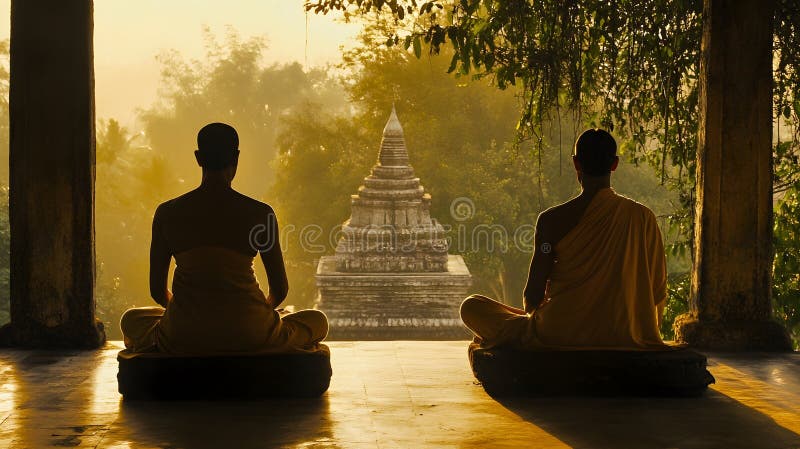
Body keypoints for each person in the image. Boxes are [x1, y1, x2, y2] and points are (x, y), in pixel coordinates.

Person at [120, 122, 328, 355]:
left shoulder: (167, 213)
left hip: (184, 333)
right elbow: (279, 289)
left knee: (131, 320)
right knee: (317, 320)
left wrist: (188, 313)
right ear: (236, 157)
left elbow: (157, 290)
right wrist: (256, 314)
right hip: (251, 332)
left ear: (198, 158)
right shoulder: (260, 213)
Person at [461, 129, 670, 350]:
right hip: (626, 333)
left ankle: (521, 329)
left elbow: (532, 296)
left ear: (576, 164)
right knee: (515, 317)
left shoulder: (551, 221)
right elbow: (657, 290)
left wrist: (535, 315)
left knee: (472, 307)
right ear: (615, 164)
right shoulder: (642, 217)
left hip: (558, 335)